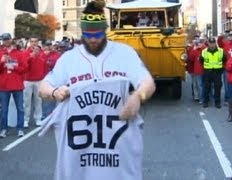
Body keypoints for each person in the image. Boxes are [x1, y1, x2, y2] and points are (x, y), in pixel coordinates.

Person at [38, 0, 155, 179]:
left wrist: (139, 96)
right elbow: (43, 87)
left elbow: (148, 82)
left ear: (105, 30)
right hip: (79, 161)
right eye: (87, 34)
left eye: (98, 33)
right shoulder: (68, 59)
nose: (92, 39)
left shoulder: (125, 53)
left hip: (119, 159)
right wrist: (55, 92)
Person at [0, 33, 26, 138]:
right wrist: (1, 62)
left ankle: (20, 128)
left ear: (11, 40)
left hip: (17, 85)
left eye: (7, 39)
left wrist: (14, 67)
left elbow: (24, 68)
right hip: (4, 85)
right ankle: (3, 129)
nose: (6, 41)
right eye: (4, 39)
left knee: (20, 108)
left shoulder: (19, 53)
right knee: (4, 109)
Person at [23, 37, 46, 128]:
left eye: (35, 41)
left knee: (38, 100)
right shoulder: (25, 52)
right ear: (29, 42)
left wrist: (44, 77)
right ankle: (25, 119)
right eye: (32, 41)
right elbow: (23, 64)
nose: (34, 43)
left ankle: (38, 118)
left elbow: (45, 66)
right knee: (26, 101)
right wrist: (30, 57)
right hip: (28, 80)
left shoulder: (42, 53)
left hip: (39, 80)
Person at [200, 37, 227, 108]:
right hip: (207, 72)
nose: (212, 45)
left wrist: (220, 69)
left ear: (215, 43)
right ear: (208, 43)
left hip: (217, 72)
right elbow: (201, 61)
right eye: (210, 43)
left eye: (213, 43)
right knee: (206, 88)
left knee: (217, 88)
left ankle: (217, 102)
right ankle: (206, 102)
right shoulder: (204, 51)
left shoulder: (221, 51)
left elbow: (224, 60)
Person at [42, 40, 61, 118]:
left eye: (50, 45)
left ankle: (56, 116)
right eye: (47, 45)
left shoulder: (57, 55)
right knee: (47, 99)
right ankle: (46, 115)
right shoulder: (42, 54)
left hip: (56, 79)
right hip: (46, 79)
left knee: (56, 98)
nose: (49, 47)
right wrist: (45, 56)